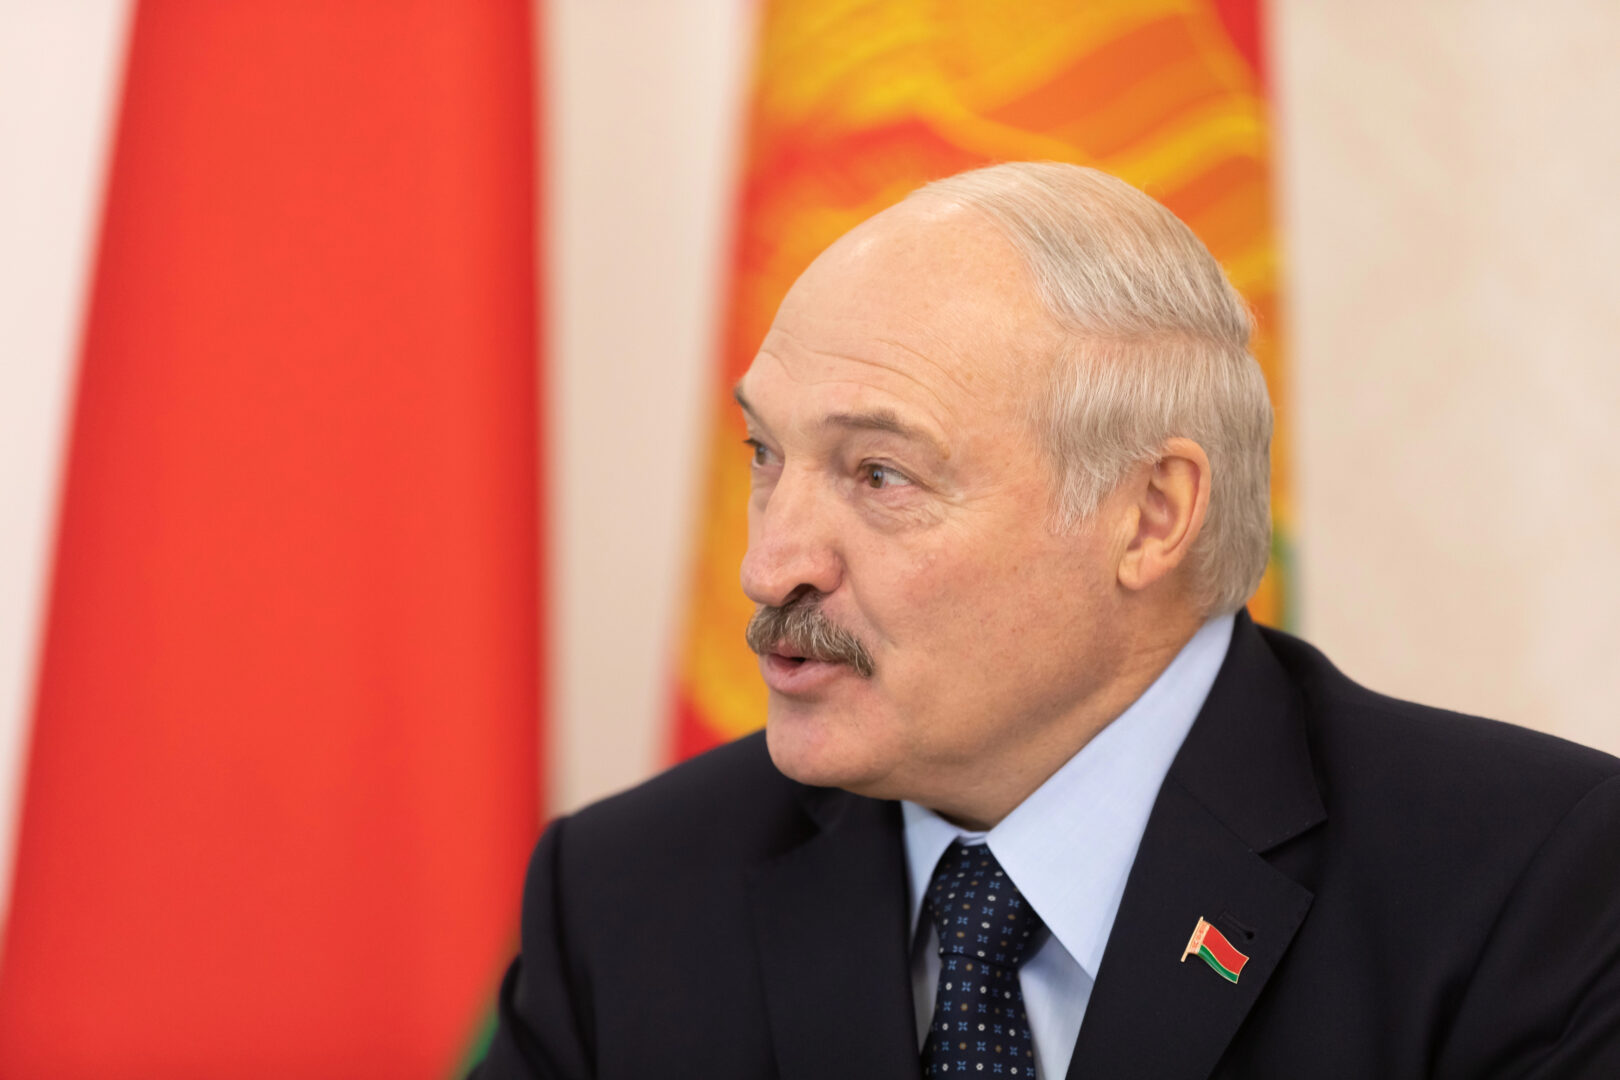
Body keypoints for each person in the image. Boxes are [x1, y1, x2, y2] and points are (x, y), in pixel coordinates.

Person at [470, 163, 1620, 1079]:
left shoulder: (1537, 886)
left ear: (1149, 515)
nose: (768, 565)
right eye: (766, 457)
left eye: (881, 475)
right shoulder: (626, 896)